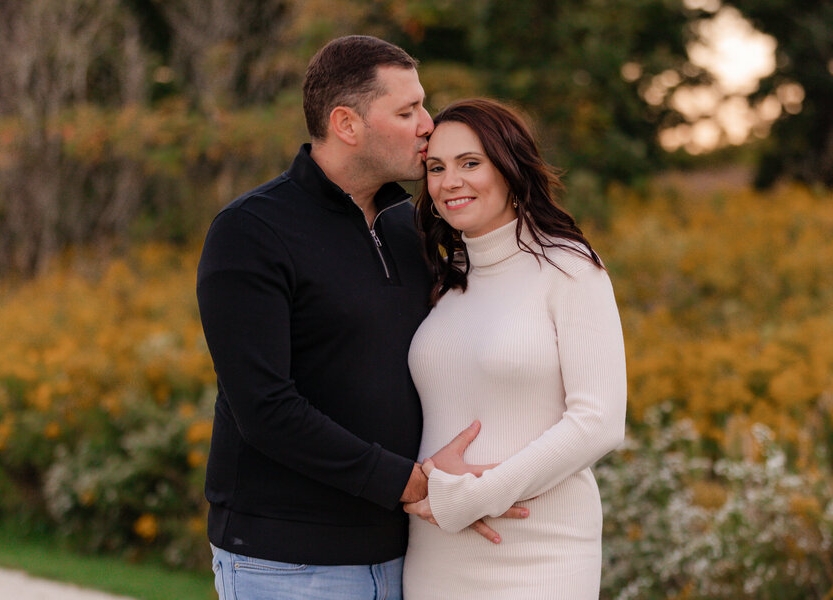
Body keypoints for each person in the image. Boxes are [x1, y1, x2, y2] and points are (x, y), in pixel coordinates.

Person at [197, 37, 520, 600]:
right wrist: (409, 482)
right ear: (346, 124)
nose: (428, 124)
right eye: (406, 111)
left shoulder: (414, 228)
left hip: (408, 553)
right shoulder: (250, 233)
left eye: (424, 105)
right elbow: (264, 408)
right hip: (287, 563)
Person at [402, 98, 627, 599]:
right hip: (437, 549)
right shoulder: (445, 280)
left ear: (509, 166)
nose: (449, 181)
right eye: (436, 168)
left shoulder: (569, 268)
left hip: (540, 550)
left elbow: (600, 419)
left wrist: (477, 496)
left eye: (470, 163)